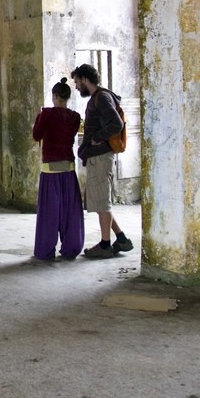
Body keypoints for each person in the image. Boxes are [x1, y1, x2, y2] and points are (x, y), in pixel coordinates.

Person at [70, 63, 133, 259]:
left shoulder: (102, 97)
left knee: (102, 204)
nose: (76, 86)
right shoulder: (100, 97)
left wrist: (98, 137)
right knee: (99, 201)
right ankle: (121, 239)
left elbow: (116, 123)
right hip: (97, 156)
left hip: (100, 156)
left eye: (77, 81)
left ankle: (105, 245)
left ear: (85, 79)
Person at [32, 77, 85, 260]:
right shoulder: (75, 117)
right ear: (67, 97)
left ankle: (45, 250)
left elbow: (36, 135)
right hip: (68, 169)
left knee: (49, 213)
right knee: (69, 212)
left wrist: (38, 118)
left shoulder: (46, 115)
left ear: (54, 96)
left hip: (50, 170)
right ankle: (71, 247)